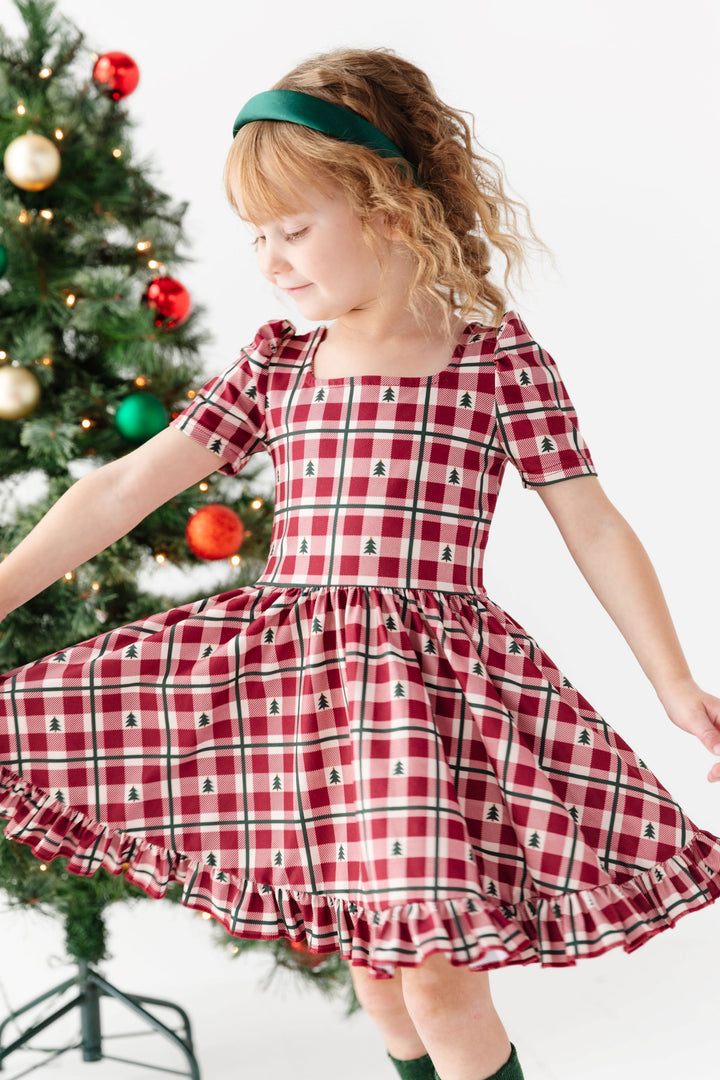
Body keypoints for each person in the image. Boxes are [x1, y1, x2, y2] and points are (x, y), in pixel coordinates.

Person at [2, 46, 720, 1080]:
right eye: (258, 237)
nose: (272, 260)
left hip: (429, 696)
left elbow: (592, 522)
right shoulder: (278, 364)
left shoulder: (493, 359)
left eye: (294, 230)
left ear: (389, 206)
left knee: (433, 971)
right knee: (377, 975)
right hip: (299, 686)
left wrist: (672, 680)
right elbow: (120, 490)